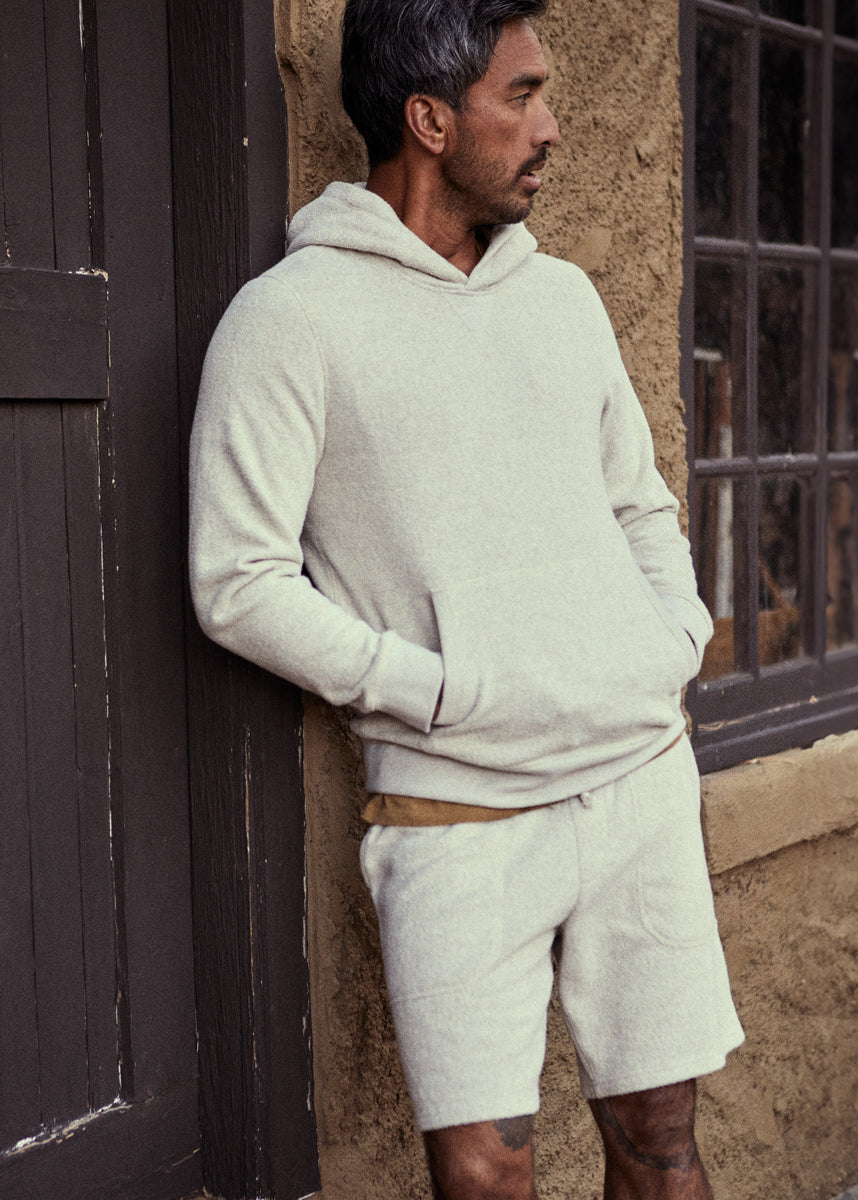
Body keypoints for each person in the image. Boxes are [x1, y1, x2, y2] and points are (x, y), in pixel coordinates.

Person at [189, 1, 744, 1195]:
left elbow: (639, 503)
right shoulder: (289, 322)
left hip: (636, 778)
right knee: (486, 1177)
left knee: (661, 1142)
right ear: (430, 120)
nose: (551, 126)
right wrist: (433, 692)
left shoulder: (563, 301)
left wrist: (670, 640)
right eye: (521, 96)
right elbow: (236, 581)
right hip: (456, 813)